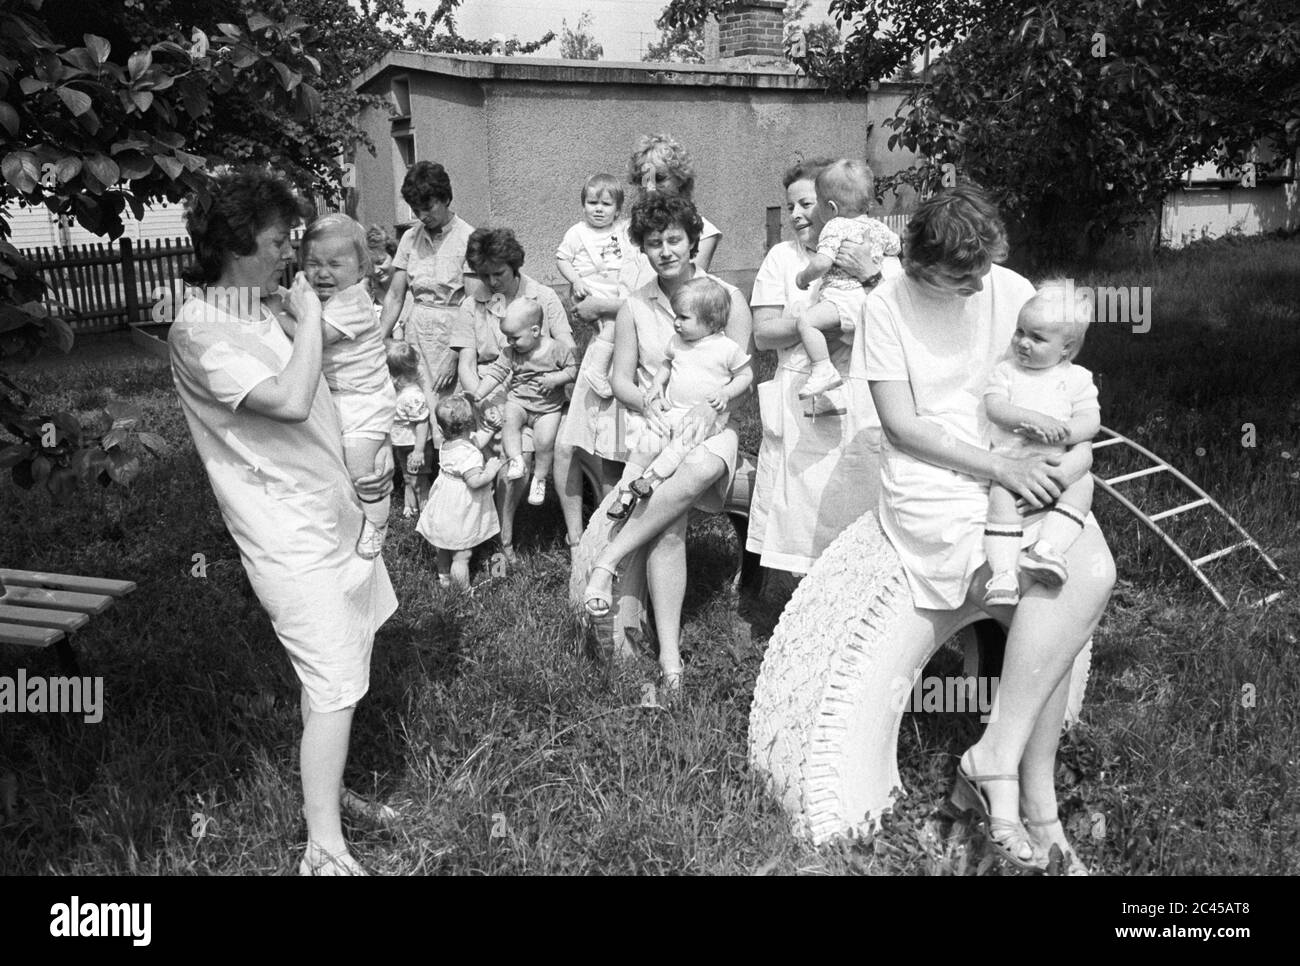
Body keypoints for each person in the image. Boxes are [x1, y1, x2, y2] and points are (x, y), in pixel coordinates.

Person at [863, 183, 1114, 874]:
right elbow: (903, 426)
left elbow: (1057, 382)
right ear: (917, 261)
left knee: (1090, 574)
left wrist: (1061, 457)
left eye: (982, 271)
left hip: (1021, 465)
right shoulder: (886, 304)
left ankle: (998, 763)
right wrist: (998, 473)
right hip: (937, 471)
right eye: (956, 276)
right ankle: (1034, 804)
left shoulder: (1010, 288)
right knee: (1041, 601)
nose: (977, 290)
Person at [168, 168, 397, 876]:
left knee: (337, 666)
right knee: (331, 678)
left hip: (332, 507)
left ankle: (325, 794)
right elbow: (294, 398)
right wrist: (306, 316)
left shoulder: (257, 305)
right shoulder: (200, 333)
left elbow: (331, 370)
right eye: (276, 240)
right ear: (237, 243)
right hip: (286, 532)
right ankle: (321, 847)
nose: (288, 255)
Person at [582, 194, 752, 691]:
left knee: (698, 468)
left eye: (674, 239)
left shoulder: (725, 297)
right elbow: (621, 381)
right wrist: (647, 404)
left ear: (693, 239)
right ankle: (671, 658)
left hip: (713, 429)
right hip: (657, 426)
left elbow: (741, 382)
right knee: (671, 525)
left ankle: (609, 561)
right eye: (653, 243)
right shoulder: (636, 303)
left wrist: (713, 406)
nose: (665, 251)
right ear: (643, 248)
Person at [746, 158, 901, 575]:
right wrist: (813, 327)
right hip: (803, 395)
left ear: (831, 206)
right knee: (803, 512)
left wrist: (870, 278)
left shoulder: (874, 252)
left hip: (865, 392)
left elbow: (900, 319)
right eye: (790, 206)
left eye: (806, 204)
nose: (797, 214)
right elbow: (762, 335)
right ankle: (798, 605)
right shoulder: (783, 258)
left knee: (860, 505)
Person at [450, 227, 573, 560]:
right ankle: (502, 538)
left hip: (539, 392)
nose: (491, 282)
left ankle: (513, 529)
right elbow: (466, 361)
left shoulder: (543, 298)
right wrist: (481, 397)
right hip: (489, 390)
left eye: (498, 274)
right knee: (508, 456)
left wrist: (552, 377)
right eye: (484, 275)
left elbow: (569, 347)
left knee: (525, 451)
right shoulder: (471, 303)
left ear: (515, 266)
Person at [281, 213, 396, 558]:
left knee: (361, 466)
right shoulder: (325, 298)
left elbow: (315, 336)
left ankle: (378, 522)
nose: (322, 272)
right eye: (313, 263)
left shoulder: (354, 302)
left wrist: (276, 312)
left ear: (361, 270)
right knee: (338, 465)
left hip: (365, 400)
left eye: (335, 263)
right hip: (338, 397)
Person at [983, 283, 1099, 606]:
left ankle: (1048, 549)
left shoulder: (1077, 379)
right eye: (1020, 331)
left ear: (1066, 348)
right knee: (1000, 500)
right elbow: (995, 407)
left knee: (1083, 485)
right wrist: (1030, 419)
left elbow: (1091, 422)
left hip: (1055, 466)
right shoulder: (1007, 371)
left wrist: (1063, 432)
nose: (1023, 342)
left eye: (1037, 338)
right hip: (1012, 465)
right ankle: (1003, 574)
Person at [607, 276, 751, 519]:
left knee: (680, 445)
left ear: (711, 321)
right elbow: (666, 363)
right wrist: (655, 386)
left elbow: (746, 376)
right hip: (673, 409)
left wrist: (726, 393)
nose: (676, 323)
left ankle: (652, 480)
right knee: (649, 439)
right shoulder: (677, 342)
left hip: (704, 419)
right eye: (676, 316)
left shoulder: (726, 348)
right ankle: (626, 488)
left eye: (683, 318)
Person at [793, 159, 900, 400]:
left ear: (830, 207)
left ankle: (823, 373)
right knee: (831, 349)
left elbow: (822, 262)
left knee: (806, 324)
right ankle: (827, 400)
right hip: (866, 304)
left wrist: (802, 277)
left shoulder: (835, 226)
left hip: (843, 299)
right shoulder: (878, 227)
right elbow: (896, 247)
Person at [468, 300, 578, 505]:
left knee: (544, 443)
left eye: (515, 338)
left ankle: (539, 478)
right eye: (507, 337)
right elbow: (496, 373)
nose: (510, 342)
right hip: (518, 400)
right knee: (509, 421)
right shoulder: (510, 352)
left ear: (535, 330)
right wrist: (479, 393)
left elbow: (573, 370)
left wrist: (556, 379)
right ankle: (516, 460)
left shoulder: (556, 348)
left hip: (548, 408)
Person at [379, 162, 474, 399]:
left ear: (445, 198)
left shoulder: (468, 238)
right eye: (415, 209)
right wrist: (378, 340)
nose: (422, 216)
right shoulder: (410, 238)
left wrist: (454, 356)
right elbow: (394, 296)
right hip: (417, 337)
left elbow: (473, 305)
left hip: (452, 339)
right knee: (417, 406)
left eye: (428, 207)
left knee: (450, 411)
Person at [416, 394, 504, 591]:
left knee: (444, 545)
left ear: (441, 429)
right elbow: (474, 481)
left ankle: (444, 578)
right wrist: (490, 470)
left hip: (445, 501)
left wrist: (489, 429)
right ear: (470, 424)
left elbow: (476, 441)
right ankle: (463, 591)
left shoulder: (446, 444)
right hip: (461, 507)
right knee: (462, 553)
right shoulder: (469, 454)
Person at [387, 340, 434, 516]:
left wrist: (419, 450)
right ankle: (410, 508)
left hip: (415, 446)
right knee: (408, 478)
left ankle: (427, 512)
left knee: (419, 480)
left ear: (397, 376)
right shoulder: (398, 391)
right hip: (402, 444)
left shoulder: (412, 396)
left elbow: (422, 423)